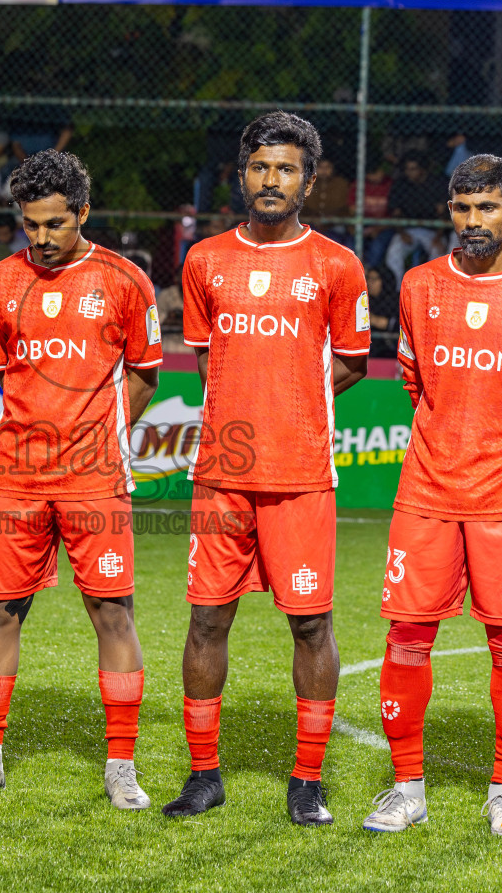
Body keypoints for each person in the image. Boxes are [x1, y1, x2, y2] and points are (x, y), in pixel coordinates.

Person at [362, 155, 502, 838]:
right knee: (407, 638)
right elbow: (414, 378)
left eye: (487, 208)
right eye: (462, 208)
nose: (473, 222)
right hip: (428, 491)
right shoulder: (421, 285)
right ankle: (407, 789)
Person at [163, 112, 369, 827]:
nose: (270, 179)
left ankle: (306, 781)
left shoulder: (338, 265)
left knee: (311, 627)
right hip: (222, 474)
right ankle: (203, 775)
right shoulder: (204, 260)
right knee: (205, 622)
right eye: (259, 167)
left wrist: (293, 401)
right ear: (242, 174)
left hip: (303, 477)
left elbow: (348, 362)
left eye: (285, 169)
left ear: (309, 181)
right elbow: (203, 356)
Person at [0, 149, 162, 811]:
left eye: (54, 224)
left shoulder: (126, 280)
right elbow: (9, 373)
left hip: (95, 478)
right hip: (16, 477)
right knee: (0, 610)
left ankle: (121, 765)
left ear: (83, 213)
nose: (40, 237)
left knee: (112, 610)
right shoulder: (2, 279)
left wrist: (100, 431)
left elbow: (145, 373)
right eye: (30, 224)